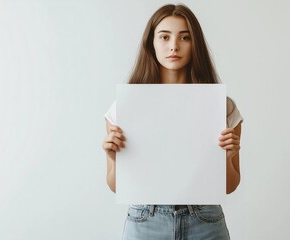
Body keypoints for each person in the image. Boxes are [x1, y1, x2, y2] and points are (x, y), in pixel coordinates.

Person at [102, 4, 243, 239]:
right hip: (146, 221)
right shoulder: (125, 107)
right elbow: (117, 186)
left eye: (185, 37)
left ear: (195, 43)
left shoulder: (222, 107)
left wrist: (227, 158)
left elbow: (230, 186)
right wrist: (113, 159)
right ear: (152, 43)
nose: (174, 46)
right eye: (164, 37)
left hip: (205, 221)